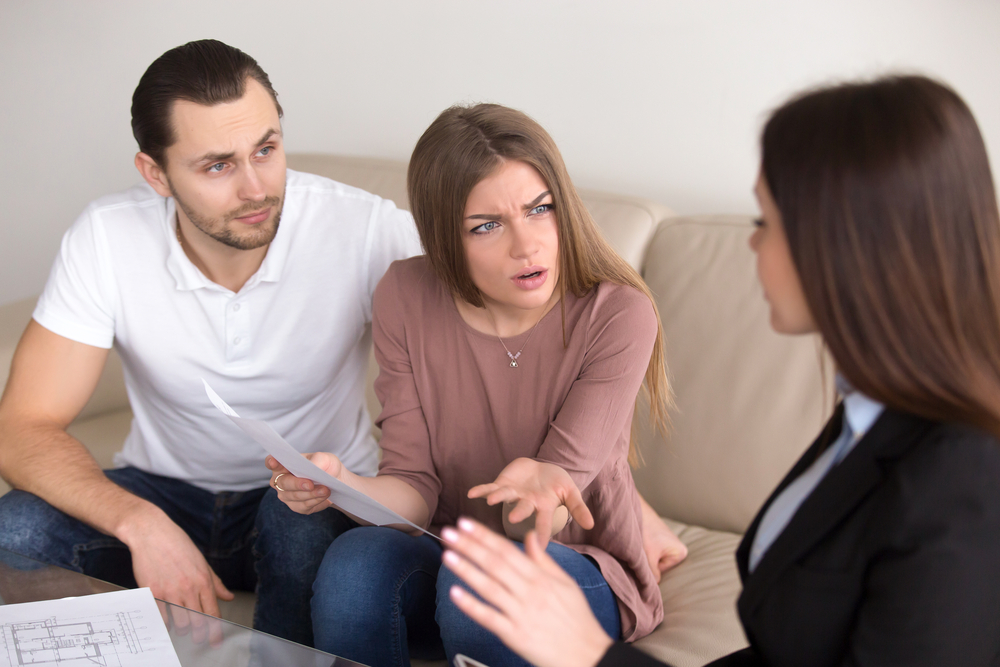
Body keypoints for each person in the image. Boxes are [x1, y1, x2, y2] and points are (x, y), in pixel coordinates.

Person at [438, 75, 1000, 666]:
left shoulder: (964, 481)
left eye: (766, 221)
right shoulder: (870, 416)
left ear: (846, 244)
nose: (752, 245)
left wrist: (589, 655)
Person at [0, 39, 422, 646]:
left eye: (266, 150)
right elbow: (22, 426)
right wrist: (140, 523)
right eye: (218, 165)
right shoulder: (106, 237)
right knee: (15, 529)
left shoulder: (365, 230)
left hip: (303, 498)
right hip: (163, 492)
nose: (256, 188)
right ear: (156, 174)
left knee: (296, 520)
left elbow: (463, 373)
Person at [268, 102, 683, 666]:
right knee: (351, 567)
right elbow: (413, 487)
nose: (526, 245)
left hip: (569, 562)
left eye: (541, 209)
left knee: (481, 582)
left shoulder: (618, 315)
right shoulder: (405, 294)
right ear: (445, 239)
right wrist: (343, 484)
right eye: (486, 226)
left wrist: (539, 490)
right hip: (446, 549)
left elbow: (547, 517)